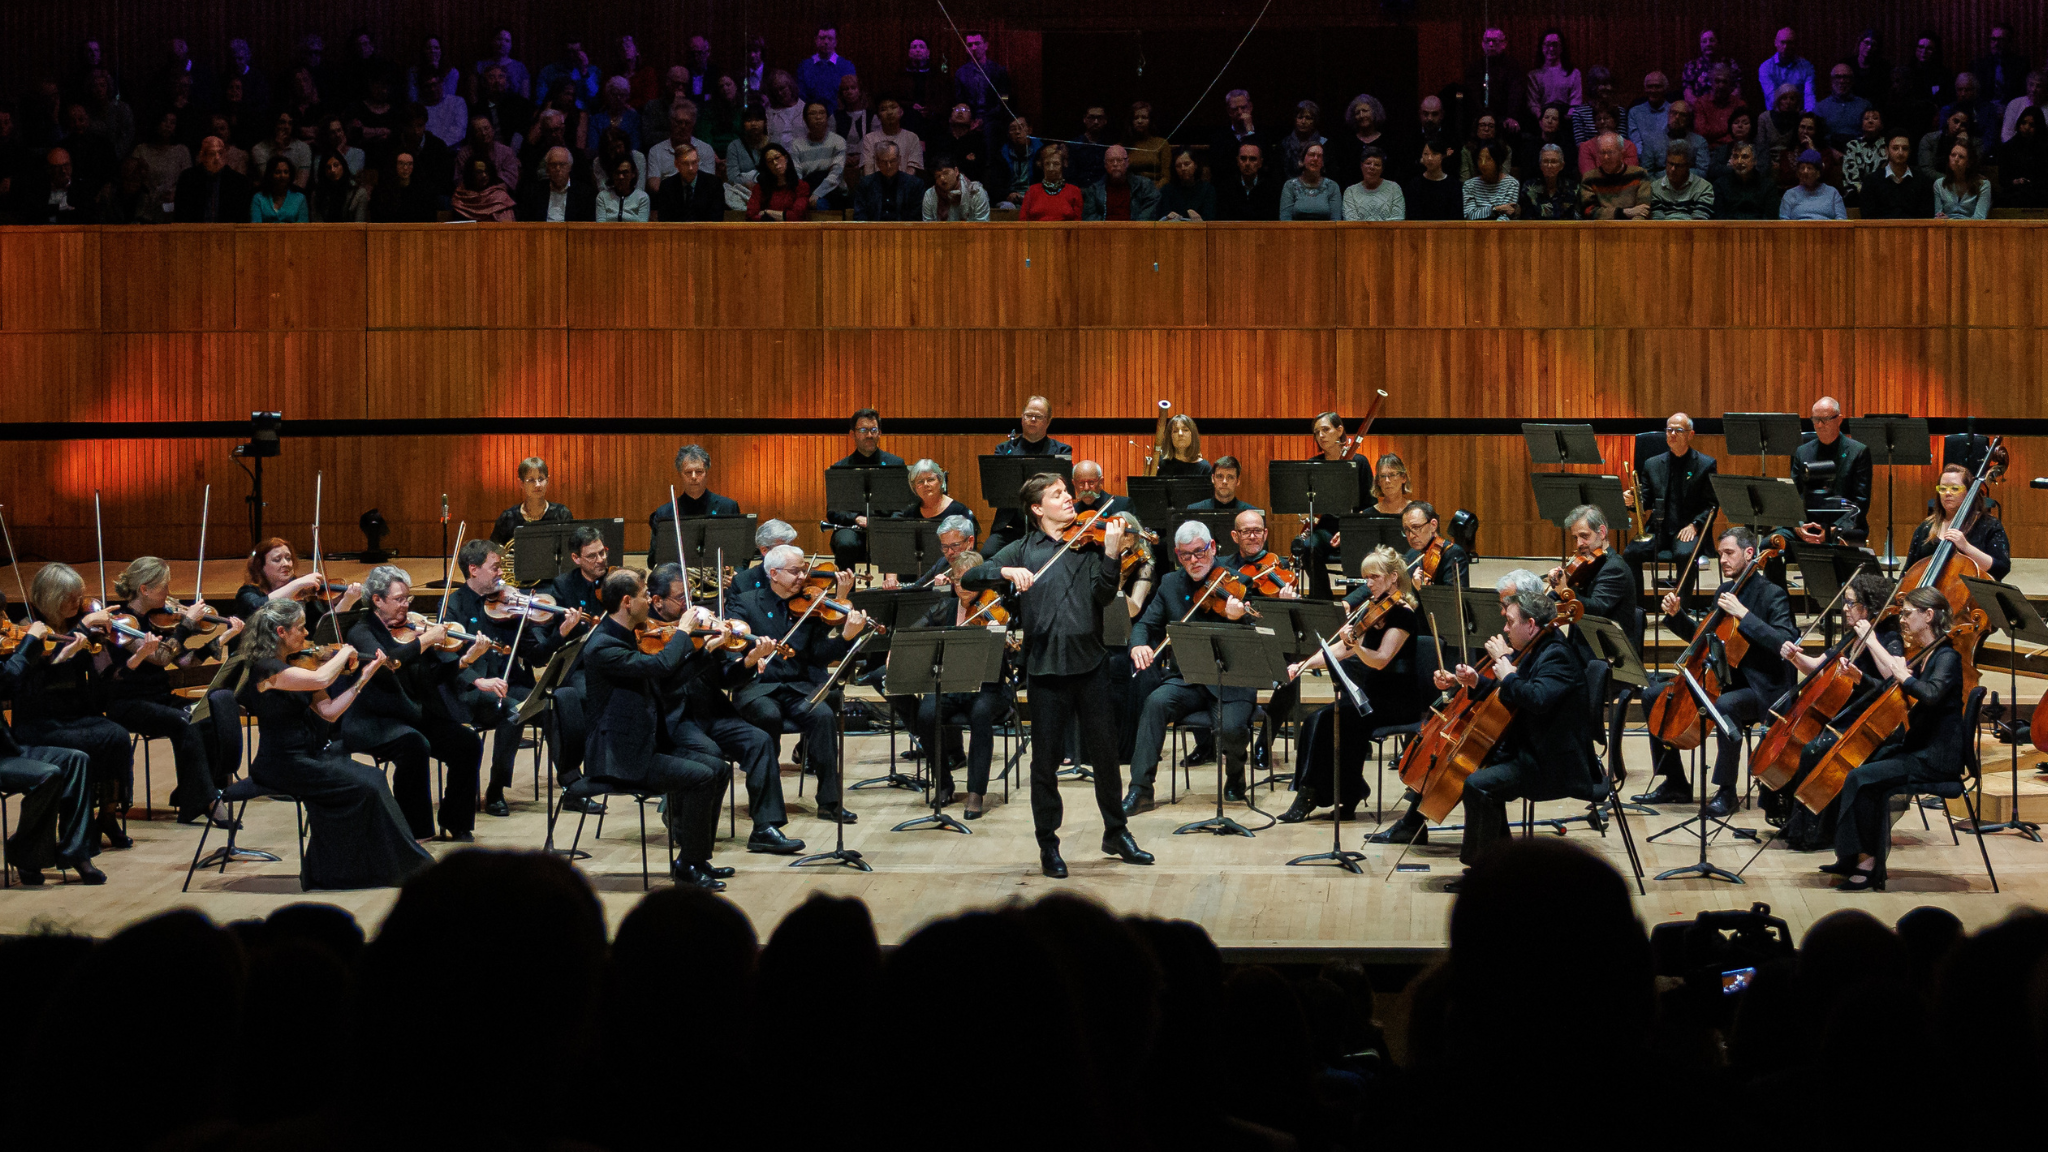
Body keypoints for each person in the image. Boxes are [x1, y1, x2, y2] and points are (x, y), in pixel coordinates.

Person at [962, 475, 1150, 877]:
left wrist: (1113, 555)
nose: (1069, 498)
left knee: (1105, 757)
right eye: (1058, 494)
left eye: (1067, 492)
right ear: (1036, 508)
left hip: (1092, 664)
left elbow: (1102, 598)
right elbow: (969, 578)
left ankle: (1116, 832)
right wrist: (1008, 573)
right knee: (1044, 765)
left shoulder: (1087, 542)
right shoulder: (1023, 549)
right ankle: (1048, 845)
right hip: (1045, 669)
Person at [236, 599, 433, 889]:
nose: (306, 635)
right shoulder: (266, 670)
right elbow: (320, 678)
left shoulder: (295, 664)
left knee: (374, 778)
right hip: (282, 763)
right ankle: (379, 869)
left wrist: (363, 678)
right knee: (363, 786)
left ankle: (379, 866)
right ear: (281, 631)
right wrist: (346, 654)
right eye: (300, 629)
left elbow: (329, 712)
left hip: (309, 756)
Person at [1431, 571, 1604, 879]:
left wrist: (1508, 673)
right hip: (1531, 748)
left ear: (1531, 625)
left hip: (1553, 762)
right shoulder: (1536, 648)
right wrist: (1477, 682)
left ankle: (1484, 872)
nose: (1504, 627)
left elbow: (1535, 698)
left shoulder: (1557, 656)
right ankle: (1501, 865)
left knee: (1478, 785)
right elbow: (1511, 699)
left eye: (1510, 621)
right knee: (1477, 772)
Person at [581, 569, 731, 890]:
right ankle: (688, 865)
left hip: (643, 742)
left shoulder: (629, 635)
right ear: (626, 602)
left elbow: (665, 680)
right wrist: (685, 631)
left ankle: (696, 858)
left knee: (717, 767)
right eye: (643, 594)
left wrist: (706, 651)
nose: (649, 600)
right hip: (620, 756)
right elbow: (660, 665)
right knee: (700, 777)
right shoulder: (603, 646)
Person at [1633, 526, 1796, 816]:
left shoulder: (1774, 595)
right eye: (1720, 554)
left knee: (1725, 705)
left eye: (1729, 553)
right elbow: (1704, 641)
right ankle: (1675, 782)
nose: (1722, 560)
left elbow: (1784, 643)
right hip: (1723, 678)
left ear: (1749, 554)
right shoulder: (1725, 591)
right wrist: (1676, 617)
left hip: (1763, 686)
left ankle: (1726, 791)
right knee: (1653, 696)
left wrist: (1744, 615)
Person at [1826, 587, 1964, 892]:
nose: (1901, 619)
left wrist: (1905, 676)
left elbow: (1930, 695)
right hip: (1919, 748)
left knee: (1862, 778)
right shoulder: (1927, 654)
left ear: (1928, 616)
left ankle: (1866, 864)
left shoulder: (1947, 656)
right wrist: (1861, 680)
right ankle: (1855, 856)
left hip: (1936, 758)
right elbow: (1896, 691)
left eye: (1907, 612)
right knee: (1864, 766)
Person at [342, 566, 491, 842]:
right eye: (399, 599)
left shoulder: (411, 629)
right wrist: (424, 641)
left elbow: (434, 675)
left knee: (467, 742)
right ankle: (414, 831)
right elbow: (388, 665)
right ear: (377, 600)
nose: (406, 605)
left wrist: (467, 659)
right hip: (378, 718)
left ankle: (455, 821)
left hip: (413, 712)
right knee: (413, 744)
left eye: (407, 599)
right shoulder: (361, 631)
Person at [1279, 545, 1422, 823]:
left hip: (1397, 698)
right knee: (1316, 720)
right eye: (1365, 577)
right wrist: (1304, 664)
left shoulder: (1403, 613)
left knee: (1338, 720)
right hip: (1372, 693)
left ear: (1393, 577)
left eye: (1374, 577)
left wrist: (1355, 646)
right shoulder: (1373, 607)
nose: (1368, 583)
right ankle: (1343, 790)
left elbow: (1380, 659)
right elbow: (1342, 649)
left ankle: (1317, 795)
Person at [727, 544, 867, 826]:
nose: (804, 575)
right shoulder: (745, 602)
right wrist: (753, 654)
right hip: (758, 686)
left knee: (823, 716)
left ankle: (830, 802)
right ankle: (765, 804)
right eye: (796, 571)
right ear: (774, 573)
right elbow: (734, 645)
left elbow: (819, 654)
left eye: (804, 569)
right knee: (768, 716)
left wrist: (847, 637)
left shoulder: (812, 605)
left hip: (798, 686)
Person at [1122, 521, 1256, 813]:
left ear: (1213, 547)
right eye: (1185, 555)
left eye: (1200, 552)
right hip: (1187, 679)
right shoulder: (1170, 583)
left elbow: (1259, 634)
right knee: (1155, 703)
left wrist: (1240, 618)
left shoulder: (1239, 582)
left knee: (1232, 728)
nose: (1194, 561)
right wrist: (1139, 644)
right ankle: (1140, 790)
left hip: (1231, 681)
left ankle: (1235, 777)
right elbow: (1145, 623)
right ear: (1177, 554)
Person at [443, 540, 583, 816]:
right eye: (495, 568)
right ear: (473, 569)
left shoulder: (510, 604)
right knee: (512, 710)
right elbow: (444, 658)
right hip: (469, 692)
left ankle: (572, 787)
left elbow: (538, 657)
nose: (501, 575)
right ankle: (495, 789)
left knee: (554, 705)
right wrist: (476, 680)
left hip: (511, 686)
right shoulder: (454, 605)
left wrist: (561, 633)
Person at [100, 558, 242, 829]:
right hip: (129, 702)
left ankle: (195, 794)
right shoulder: (123, 622)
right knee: (182, 722)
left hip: (159, 697)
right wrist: (186, 625)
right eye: (164, 586)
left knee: (207, 712)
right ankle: (208, 800)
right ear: (145, 589)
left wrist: (224, 636)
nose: (169, 593)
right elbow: (161, 658)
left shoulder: (160, 619)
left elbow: (185, 662)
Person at [1768, 571, 1900, 850]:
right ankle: (1788, 818)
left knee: (1813, 749)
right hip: (1839, 716)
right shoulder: (1850, 637)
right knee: (1797, 742)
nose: (1845, 608)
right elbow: (1818, 667)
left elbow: (1892, 679)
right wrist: (1795, 657)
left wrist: (1871, 640)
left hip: (1864, 722)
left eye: (1851, 603)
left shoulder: (1889, 636)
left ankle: (1816, 831)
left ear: (1868, 607)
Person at [900, 552, 1013, 818]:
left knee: (981, 715)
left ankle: (976, 792)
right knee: (926, 715)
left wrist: (1001, 638)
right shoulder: (945, 608)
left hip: (988, 687)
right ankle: (943, 782)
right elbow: (916, 631)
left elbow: (1011, 654)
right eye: (955, 580)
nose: (960, 586)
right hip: (951, 685)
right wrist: (902, 646)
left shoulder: (994, 607)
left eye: (966, 580)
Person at [1622, 414, 1718, 591]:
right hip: (1659, 529)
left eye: (1678, 430)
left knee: (1685, 554)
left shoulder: (1705, 464)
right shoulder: (1652, 464)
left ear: (1690, 435)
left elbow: (1711, 505)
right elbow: (1646, 501)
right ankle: (1638, 611)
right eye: (1669, 430)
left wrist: (1695, 526)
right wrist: (1632, 501)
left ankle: (1679, 612)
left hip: (1687, 529)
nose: (1672, 434)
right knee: (1631, 553)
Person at [985, 396, 1072, 555]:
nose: (1032, 419)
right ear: (1022, 418)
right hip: (1009, 526)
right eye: (1028, 415)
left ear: (1048, 421)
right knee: (988, 554)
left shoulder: (1061, 451)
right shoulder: (1004, 450)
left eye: (1038, 417)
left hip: (1046, 525)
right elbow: (998, 489)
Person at [824, 409, 907, 572]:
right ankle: (848, 594)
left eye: (873, 430)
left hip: (885, 526)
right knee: (846, 543)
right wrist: (856, 518)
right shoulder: (840, 468)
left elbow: (904, 507)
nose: (869, 435)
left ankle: (891, 593)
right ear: (852, 434)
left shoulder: (895, 464)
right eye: (863, 430)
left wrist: (886, 523)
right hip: (852, 527)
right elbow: (833, 512)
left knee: (899, 540)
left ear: (880, 433)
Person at [1907, 462, 2010, 580]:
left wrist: (1966, 547)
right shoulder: (1926, 527)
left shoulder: (1989, 525)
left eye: (1955, 488)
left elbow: (2001, 569)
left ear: (1969, 493)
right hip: (1930, 596)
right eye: (1942, 488)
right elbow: (1909, 571)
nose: (1947, 493)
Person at [233, 537, 362, 630]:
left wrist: (348, 600)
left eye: (288, 558)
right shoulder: (247, 592)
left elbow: (322, 627)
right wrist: (297, 583)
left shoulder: (303, 593)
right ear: (260, 566)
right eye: (277, 559)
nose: (286, 564)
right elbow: (259, 608)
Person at [1792, 396, 1872, 544]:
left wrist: (1834, 528)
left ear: (1839, 419)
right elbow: (1794, 495)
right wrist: (1798, 526)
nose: (1819, 425)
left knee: (1837, 540)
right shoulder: (1802, 452)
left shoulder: (1858, 452)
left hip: (1842, 524)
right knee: (1769, 543)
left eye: (1825, 419)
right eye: (1815, 420)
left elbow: (1861, 501)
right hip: (1807, 524)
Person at [172, 135, 253, 222]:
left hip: (227, 233)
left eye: (220, 153)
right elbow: (181, 214)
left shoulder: (239, 182)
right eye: (212, 154)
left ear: (225, 154)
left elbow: (242, 218)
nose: (217, 158)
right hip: (195, 232)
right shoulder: (188, 179)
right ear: (202, 156)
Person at [1464, 26, 1527, 135]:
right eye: (1488, 41)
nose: (1491, 45)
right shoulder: (1474, 68)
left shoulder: (1513, 66)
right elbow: (1473, 95)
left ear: (1504, 44)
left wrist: (1511, 116)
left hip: (1505, 117)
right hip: (1480, 116)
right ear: (1483, 44)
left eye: (1495, 41)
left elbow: (1516, 94)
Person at [1860, 132, 1937, 217]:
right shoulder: (1871, 181)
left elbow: (1926, 217)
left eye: (1905, 148)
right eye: (1895, 148)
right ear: (1886, 151)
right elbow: (1867, 218)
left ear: (1910, 151)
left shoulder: (1923, 181)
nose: (1900, 152)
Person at [787, 101, 847, 210]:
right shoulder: (797, 145)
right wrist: (804, 195)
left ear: (827, 117)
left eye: (822, 113)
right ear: (805, 119)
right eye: (813, 114)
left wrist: (818, 193)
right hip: (806, 189)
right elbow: (796, 174)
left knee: (819, 205)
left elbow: (836, 173)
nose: (818, 117)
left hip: (832, 191)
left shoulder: (838, 141)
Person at [515, 145, 597, 221]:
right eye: (553, 165)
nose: (558, 169)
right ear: (547, 169)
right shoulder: (534, 192)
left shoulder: (584, 194)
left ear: (570, 167)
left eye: (562, 164)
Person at [1579, 132, 1649, 218]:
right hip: (1601, 227)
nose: (1606, 157)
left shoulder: (1639, 174)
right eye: (1602, 153)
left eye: (1610, 152)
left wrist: (1630, 229)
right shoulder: (1589, 178)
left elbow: (1644, 210)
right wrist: (1624, 212)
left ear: (1622, 153)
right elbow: (1589, 212)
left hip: (1634, 227)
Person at [1083, 143, 1160, 221]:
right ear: (1105, 164)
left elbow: (1149, 214)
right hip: (1105, 231)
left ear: (1127, 163)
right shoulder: (1094, 190)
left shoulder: (1144, 185)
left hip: (1135, 231)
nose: (1115, 164)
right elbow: (1089, 218)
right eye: (1111, 161)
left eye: (1119, 160)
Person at [1205, 89, 1266, 182]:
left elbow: (1266, 165)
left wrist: (1250, 132)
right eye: (1235, 109)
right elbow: (1219, 169)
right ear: (1229, 111)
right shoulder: (1219, 138)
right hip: (1229, 188)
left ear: (1250, 107)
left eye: (1243, 107)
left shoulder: (1263, 135)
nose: (1240, 112)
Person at [650, 144, 723, 221]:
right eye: (685, 163)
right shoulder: (667, 186)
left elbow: (716, 219)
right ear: (676, 164)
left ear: (698, 161)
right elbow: (664, 220)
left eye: (694, 162)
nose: (691, 168)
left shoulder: (713, 184)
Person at [1648, 140, 1714, 218]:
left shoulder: (1704, 188)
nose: (1672, 169)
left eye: (1678, 166)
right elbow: (1658, 222)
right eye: (1670, 164)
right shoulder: (1655, 188)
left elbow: (1699, 223)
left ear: (1688, 166)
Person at [859, 96, 925, 176]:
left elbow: (912, 169)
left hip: (905, 186)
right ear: (878, 116)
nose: (889, 112)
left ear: (901, 111)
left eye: (893, 107)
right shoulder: (869, 139)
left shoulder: (912, 138)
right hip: (876, 186)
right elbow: (868, 169)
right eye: (883, 109)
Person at [1712, 141, 1779, 218]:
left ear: (1755, 161)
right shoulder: (1720, 185)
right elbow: (1719, 218)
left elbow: (1771, 219)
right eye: (1736, 157)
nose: (1739, 162)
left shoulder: (1768, 186)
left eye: (1745, 157)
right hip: (1729, 228)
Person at [1525, 30, 1582, 120]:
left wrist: (1568, 118)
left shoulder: (1573, 73)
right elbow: (1533, 103)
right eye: (1547, 45)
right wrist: (1541, 118)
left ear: (1561, 48)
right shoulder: (1534, 75)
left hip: (1566, 117)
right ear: (1542, 47)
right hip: (1543, 117)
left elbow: (1576, 101)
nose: (1551, 49)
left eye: (1555, 45)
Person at [1998, 106, 2048, 208]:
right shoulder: (2008, 148)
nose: (2026, 128)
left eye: (2032, 125)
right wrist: (2015, 181)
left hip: (2039, 192)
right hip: (2014, 191)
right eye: (2023, 123)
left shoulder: (2045, 148)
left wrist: (2032, 183)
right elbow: (2003, 179)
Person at [1279, 141, 1343, 220]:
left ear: (1322, 162)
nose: (1315, 159)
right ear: (1302, 160)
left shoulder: (1332, 186)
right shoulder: (1290, 186)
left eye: (1319, 156)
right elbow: (1285, 220)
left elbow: (1335, 221)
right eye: (1312, 155)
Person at [745, 142, 808, 221]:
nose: (775, 163)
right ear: (767, 166)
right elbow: (750, 216)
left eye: (777, 158)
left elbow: (797, 216)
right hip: (767, 230)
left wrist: (767, 212)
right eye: (770, 161)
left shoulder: (801, 186)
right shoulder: (760, 188)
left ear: (786, 158)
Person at [1760, 27, 1818, 111]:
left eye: (1790, 43)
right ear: (1776, 43)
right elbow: (1771, 96)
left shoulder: (1806, 67)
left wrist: (1809, 115)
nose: (1786, 47)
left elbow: (1809, 95)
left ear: (1795, 45)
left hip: (1799, 114)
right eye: (1782, 42)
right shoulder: (1766, 67)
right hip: (1775, 114)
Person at [1932, 137, 1992, 219]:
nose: (1956, 159)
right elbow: (1938, 216)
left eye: (1961, 157)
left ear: (1969, 163)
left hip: (1972, 230)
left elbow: (1979, 219)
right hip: (1946, 230)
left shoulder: (1983, 185)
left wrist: (1950, 221)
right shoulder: (1939, 184)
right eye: (1953, 155)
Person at [1405, 136, 1461, 220]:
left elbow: (1456, 216)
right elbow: (1413, 216)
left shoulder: (1454, 185)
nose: (1429, 158)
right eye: (1426, 154)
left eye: (1434, 154)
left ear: (1442, 156)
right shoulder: (1414, 184)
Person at [1779, 150, 1847, 219]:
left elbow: (1841, 219)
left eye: (1809, 168)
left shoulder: (1832, 193)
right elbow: (1784, 221)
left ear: (1818, 173)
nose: (1805, 172)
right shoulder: (1790, 194)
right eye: (1802, 168)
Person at [1342, 146, 1405, 220]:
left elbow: (1398, 218)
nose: (1372, 167)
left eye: (1377, 165)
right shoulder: (1350, 192)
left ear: (1382, 169)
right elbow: (1350, 221)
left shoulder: (1394, 188)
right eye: (1368, 163)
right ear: (1361, 166)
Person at [1818, 64, 1874, 146]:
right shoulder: (1820, 108)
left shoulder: (1865, 106)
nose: (1841, 81)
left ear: (1852, 80)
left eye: (1845, 77)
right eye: (1837, 77)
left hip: (1859, 151)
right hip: (1829, 153)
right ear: (1831, 80)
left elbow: (1871, 134)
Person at [1462, 140, 1519, 219]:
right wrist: (1496, 209)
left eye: (1488, 159)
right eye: (1480, 159)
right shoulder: (1469, 185)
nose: (1483, 163)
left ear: (1498, 161)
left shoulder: (1511, 183)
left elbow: (1506, 215)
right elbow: (1469, 215)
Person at [921, 155, 989, 221]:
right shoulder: (930, 195)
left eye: (946, 173)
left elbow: (982, 226)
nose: (942, 178)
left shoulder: (975, 192)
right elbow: (928, 227)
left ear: (956, 171)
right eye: (938, 176)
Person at [1519, 142, 1577, 219]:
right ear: (1540, 165)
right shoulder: (1529, 187)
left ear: (1562, 165)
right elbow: (1525, 218)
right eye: (1545, 161)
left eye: (1553, 161)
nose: (1549, 166)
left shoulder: (1572, 188)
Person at [1841, 108, 1890, 195]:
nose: (1870, 121)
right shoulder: (1852, 146)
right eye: (1866, 119)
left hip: (1883, 193)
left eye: (1875, 118)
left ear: (1882, 124)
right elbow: (1851, 177)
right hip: (1857, 194)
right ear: (1861, 124)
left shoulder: (1888, 145)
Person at [308, 150, 369, 221]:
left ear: (343, 166)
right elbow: (317, 223)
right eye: (328, 167)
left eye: (336, 165)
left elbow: (359, 224)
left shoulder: (358, 194)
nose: (333, 170)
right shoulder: (317, 195)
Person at [1576, 104, 1636, 175]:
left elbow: (1630, 174)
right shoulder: (1586, 147)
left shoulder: (1629, 146)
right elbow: (1588, 175)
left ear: (1615, 121)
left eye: (1606, 118)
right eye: (1598, 119)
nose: (1602, 122)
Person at [455, 154, 518, 221]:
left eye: (487, 171)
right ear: (470, 174)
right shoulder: (461, 197)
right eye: (479, 172)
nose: (484, 175)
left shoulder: (499, 197)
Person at [1187, 457, 1257, 515]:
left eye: (1230, 477)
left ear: (1237, 481)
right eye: (1220, 476)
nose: (1224, 482)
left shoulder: (1252, 513)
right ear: (1213, 479)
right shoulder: (1194, 511)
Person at [249, 156, 309, 222]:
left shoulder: (300, 198)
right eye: (277, 172)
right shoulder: (258, 198)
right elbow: (255, 226)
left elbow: (303, 227)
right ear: (270, 175)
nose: (282, 176)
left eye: (286, 172)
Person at [1123, 101, 1170, 182]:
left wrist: (1153, 192)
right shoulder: (1123, 146)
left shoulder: (1161, 143)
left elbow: (1166, 177)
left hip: (1156, 190)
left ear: (1150, 120)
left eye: (1144, 117)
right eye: (1136, 118)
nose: (1140, 121)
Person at [1278, 100, 1326, 179]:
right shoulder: (1284, 144)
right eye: (1300, 117)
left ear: (1315, 121)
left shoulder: (1324, 144)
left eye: (1308, 118)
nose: (1303, 121)